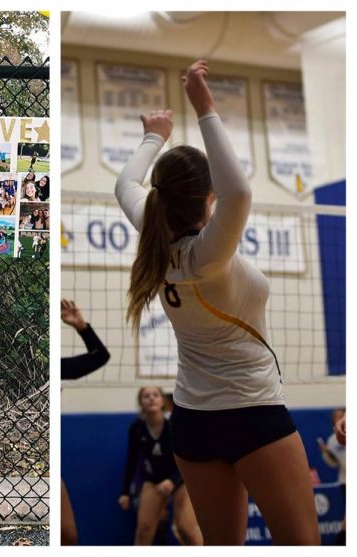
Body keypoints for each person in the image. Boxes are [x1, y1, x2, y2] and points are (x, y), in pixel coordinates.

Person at [115, 60, 319, 545]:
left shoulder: (154, 235)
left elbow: (125, 185)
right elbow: (241, 191)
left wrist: (153, 137)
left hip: (193, 423)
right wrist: (203, 105)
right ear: (208, 198)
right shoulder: (208, 252)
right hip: (253, 413)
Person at [119, 387, 203, 545]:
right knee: (144, 529)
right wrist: (125, 492)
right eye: (146, 396)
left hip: (180, 480)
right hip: (154, 480)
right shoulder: (136, 428)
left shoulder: (173, 425)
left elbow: (188, 458)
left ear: (162, 401)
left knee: (185, 528)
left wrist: (172, 480)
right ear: (141, 403)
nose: (151, 398)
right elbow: (132, 460)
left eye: (155, 395)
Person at [59, 299, 111, 544]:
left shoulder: (58, 367)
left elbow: (101, 356)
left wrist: (81, 326)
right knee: (65, 534)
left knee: (68, 535)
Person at [318, 408, 347, 545]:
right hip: (345, 481)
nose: (340, 418)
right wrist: (325, 453)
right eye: (337, 417)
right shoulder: (332, 440)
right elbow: (333, 463)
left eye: (342, 415)